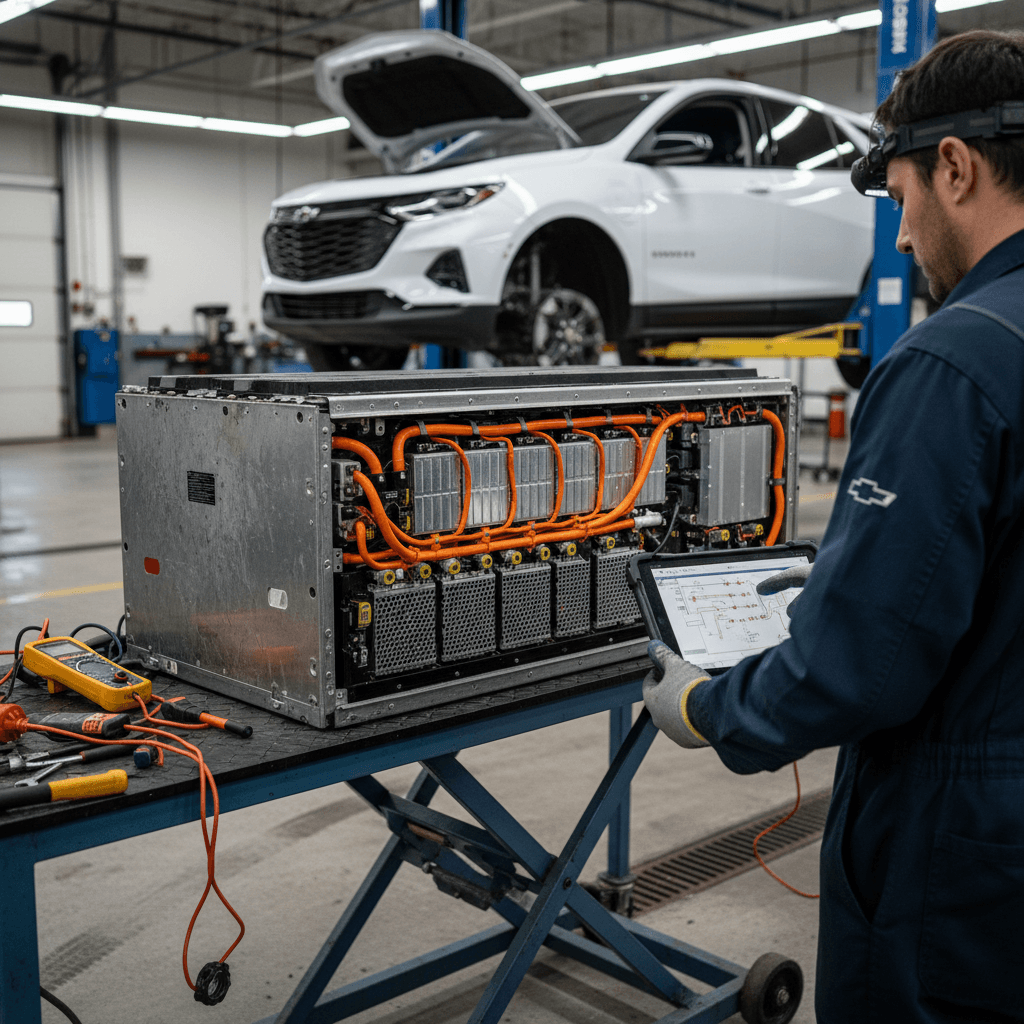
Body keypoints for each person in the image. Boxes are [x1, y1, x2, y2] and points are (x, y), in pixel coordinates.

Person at [642, 29, 1024, 1024]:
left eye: (898, 198)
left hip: (967, 854)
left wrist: (707, 709)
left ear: (953, 166)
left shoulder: (953, 365)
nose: (898, 239)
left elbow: (855, 671)